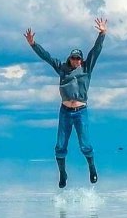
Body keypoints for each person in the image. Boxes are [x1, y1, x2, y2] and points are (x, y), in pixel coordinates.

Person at [25, 18, 106, 187]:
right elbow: (46, 57)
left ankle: (92, 168)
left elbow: (96, 51)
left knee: (85, 145)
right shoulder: (62, 68)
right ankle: (62, 174)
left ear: (81, 60)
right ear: (69, 59)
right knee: (60, 146)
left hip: (81, 111)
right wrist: (33, 44)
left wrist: (102, 33)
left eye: (78, 58)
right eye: (73, 58)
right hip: (65, 112)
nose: (75, 60)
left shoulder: (86, 68)